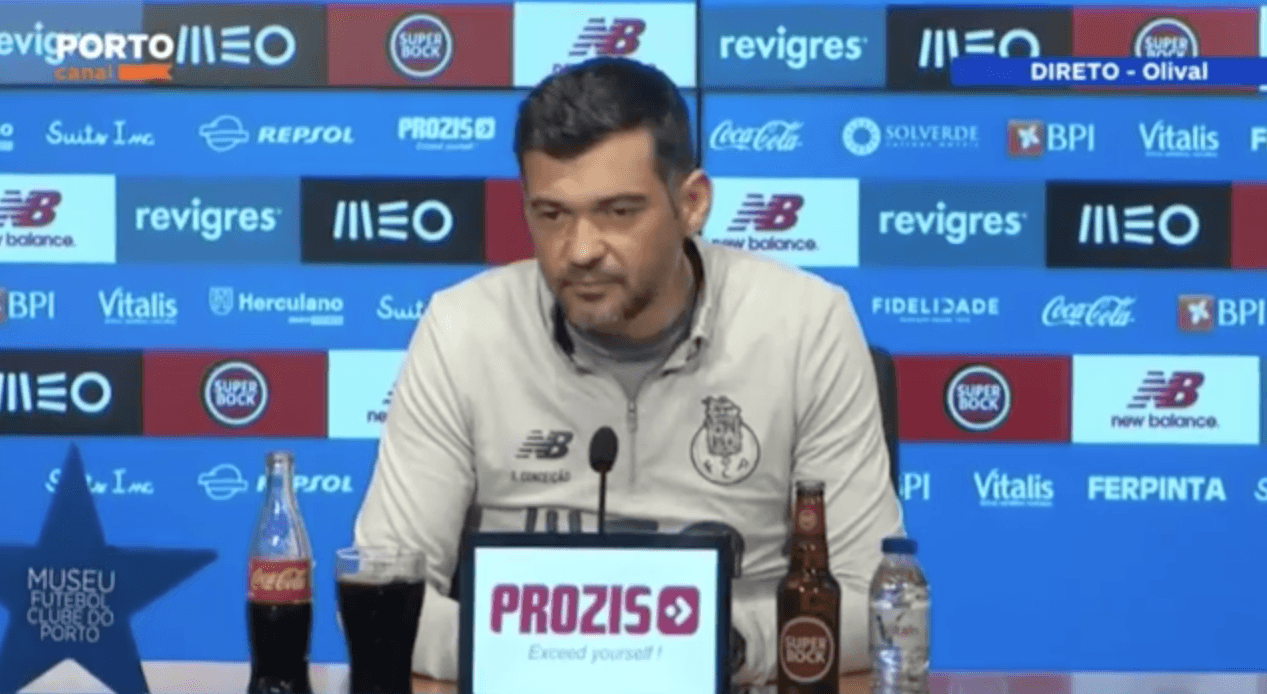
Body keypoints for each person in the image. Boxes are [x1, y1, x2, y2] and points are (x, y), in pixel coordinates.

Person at [352, 56, 904, 685]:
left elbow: (877, 602)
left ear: (691, 203)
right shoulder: (463, 330)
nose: (581, 250)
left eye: (618, 212)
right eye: (552, 214)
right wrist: (561, 656)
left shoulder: (805, 325)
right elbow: (377, 592)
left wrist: (716, 648)